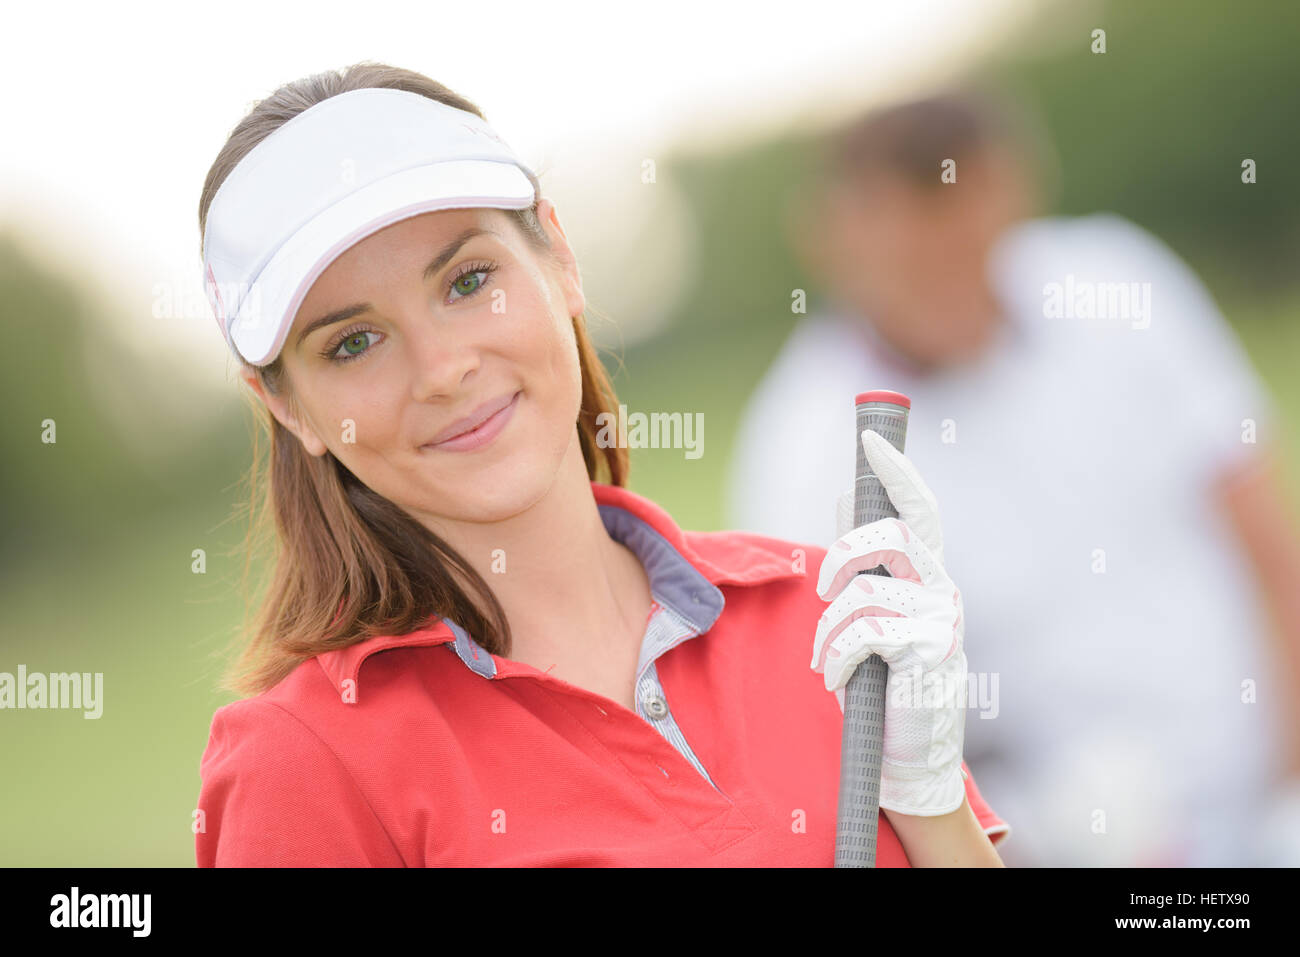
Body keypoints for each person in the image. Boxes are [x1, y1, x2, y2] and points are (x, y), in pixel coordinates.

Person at [192, 62, 1009, 867]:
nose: (442, 369)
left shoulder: (822, 614)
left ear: (560, 261)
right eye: (353, 342)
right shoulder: (301, 765)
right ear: (289, 407)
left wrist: (928, 804)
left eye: (469, 280)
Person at [726, 91, 1300, 866]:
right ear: (835, 237)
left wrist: (1288, 781)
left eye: (968, 245)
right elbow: (845, 728)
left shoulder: (1119, 284)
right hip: (1051, 842)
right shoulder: (801, 442)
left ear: (1013, 193)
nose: (951, 284)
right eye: (916, 258)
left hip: (1269, 789)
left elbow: (1268, 541)